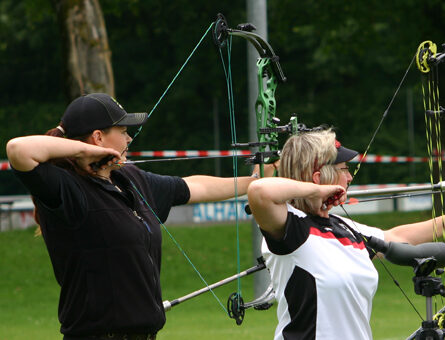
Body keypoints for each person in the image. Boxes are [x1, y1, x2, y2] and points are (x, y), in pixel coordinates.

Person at [6, 93, 271, 340]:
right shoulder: (68, 189)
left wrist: (255, 182)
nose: (129, 139)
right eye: (122, 132)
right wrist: (84, 152)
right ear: (98, 137)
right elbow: (18, 150)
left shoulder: (129, 179)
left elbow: (193, 187)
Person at [247, 128, 445, 340]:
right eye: (344, 169)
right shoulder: (292, 229)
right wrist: (319, 191)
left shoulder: (344, 227)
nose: (349, 177)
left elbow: (395, 238)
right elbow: (259, 191)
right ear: (319, 176)